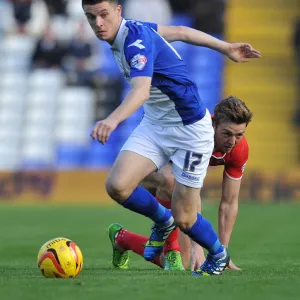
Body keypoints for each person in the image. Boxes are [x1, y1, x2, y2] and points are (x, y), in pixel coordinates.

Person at [82, 0, 261, 276]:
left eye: (103, 15)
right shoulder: (134, 29)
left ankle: (218, 253)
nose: (98, 24)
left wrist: (112, 119)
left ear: (119, 10)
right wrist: (225, 48)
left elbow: (142, 91)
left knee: (186, 219)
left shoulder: (134, 43)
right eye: (91, 17)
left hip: (190, 131)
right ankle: (162, 221)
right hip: (156, 124)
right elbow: (180, 31)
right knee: (117, 186)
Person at [107, 96, 252, 271]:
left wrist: (222, 253)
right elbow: (190, 190)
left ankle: (122, 239)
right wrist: (197, 247)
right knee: (171, 180)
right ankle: (169, 246)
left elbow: (229, 202)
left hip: (178, 187)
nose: (232, 142)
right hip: (148, 175)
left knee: (180, 265)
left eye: (239, 135)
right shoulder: (195, 132)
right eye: (227, 134)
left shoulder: (239, 149)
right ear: (213, 125)